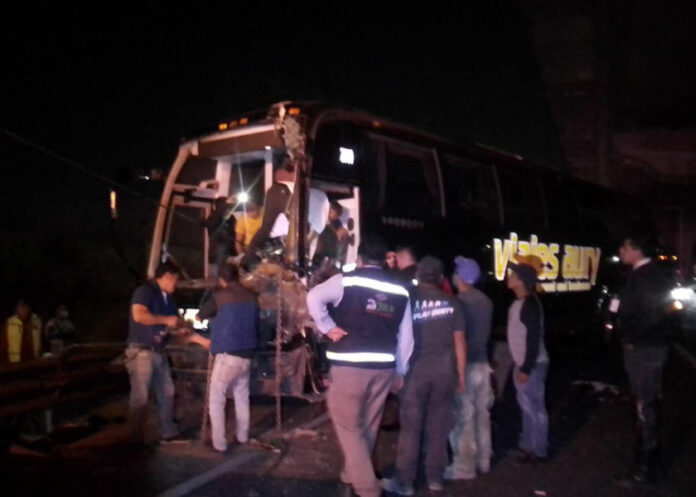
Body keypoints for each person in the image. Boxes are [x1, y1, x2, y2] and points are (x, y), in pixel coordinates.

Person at [306, 235, 413, 497]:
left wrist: (328, 327)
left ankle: (367, 489)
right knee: (368, 424)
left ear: (360, 258)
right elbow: (406, 336)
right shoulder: (400, 289)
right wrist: (401, 371)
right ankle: (351, 473)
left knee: (349, 426)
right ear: (385, 261)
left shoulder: (348, 280)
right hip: (384, 368)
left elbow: (314, 297)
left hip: (350, 366)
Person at [381, 256, 466, 495]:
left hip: (414, 374)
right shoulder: (453, 303)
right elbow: (460, 341)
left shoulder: (407, 302)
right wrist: (460, 375)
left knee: (411, 428)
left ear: (417, 276)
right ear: (440, 278)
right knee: (439, 428)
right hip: (444, 374)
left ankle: (405, 482)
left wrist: (395, 372)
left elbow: (396, 339)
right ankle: (435, 478)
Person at [615, 234, 673, 484]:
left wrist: (630, 339)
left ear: (636, 249)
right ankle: (651, 463)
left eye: (625, 246)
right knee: (647, 405)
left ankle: (644, 469)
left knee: (644, 408)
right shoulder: (651, 275)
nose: (621, 250)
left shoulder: (645, 277)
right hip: (651, 348)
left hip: (644, 351)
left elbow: (652, 317)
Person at [126, 260, 189, 444]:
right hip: (142, 351)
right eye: (175, 279)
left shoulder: (167, 299)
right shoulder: (145, 291)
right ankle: (134, 437)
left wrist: (180, 329)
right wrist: (166, 319)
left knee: (168, 393)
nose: (176, 284)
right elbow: (139, 315)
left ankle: (168, 432)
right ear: (168, 276)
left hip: (159, 351)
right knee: (140, 397)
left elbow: (174, 321)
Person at [198, 263, 258, 452]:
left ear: (222, 280)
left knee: (217, 397)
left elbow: (201, 315)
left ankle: (219, 443)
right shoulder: (251, 296)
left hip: (227, 355)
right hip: (247, 354)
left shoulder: (219, 296)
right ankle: (243, 435)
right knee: (241, 395)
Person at [445, 256, 494, 480]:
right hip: (484, 365)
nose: (453, 274)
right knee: (482, 415)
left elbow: (457, 338)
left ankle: (464, 467)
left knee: (462, 417)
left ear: (460, 277)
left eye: (456, 271)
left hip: (465, 366)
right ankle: (484, 459)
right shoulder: (486, 301)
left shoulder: (458, 302)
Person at [505, 255, 549, 464]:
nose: (509, 276)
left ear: (521, 280)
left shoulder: (529, 305)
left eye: (513, 274)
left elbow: (532, 339)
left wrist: (526, 368)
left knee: (535, 408)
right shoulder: (521, 302)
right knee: (527, 406)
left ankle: (538, 450)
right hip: (525, 363)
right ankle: (528, 446)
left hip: (531, 365)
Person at [242, 158, 295, 268]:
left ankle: (248, 262)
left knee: (267, 227)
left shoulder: (278, 186)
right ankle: (248, 262)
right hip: (274, 241)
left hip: (272, 241)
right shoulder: (282, 187)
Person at [312, 201, 349, 267]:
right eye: (330, 212)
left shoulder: (337, 224)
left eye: (333, 215)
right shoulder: (320, 214)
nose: (330, 215)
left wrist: (338, 235)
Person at [205, 197, 237, 272]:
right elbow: (212, 225)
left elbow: (233, 235)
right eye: (226, 206)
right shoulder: (214, 218)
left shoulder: (231, 218)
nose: (229, 209)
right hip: (216, 257)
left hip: (229, 255)